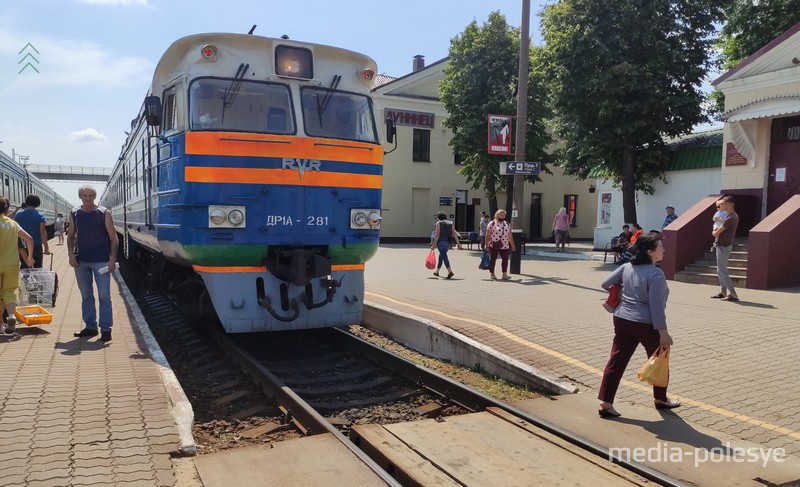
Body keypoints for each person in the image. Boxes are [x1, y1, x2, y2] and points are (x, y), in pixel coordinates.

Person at [598, 233, 678, 417]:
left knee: (616, 361)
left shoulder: (626, 267)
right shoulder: (655, 274)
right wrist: (664, 333)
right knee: (660, 359)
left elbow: (605, 283)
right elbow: (656, 307)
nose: (663, 250)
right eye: (660, 248)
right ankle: (660, 398)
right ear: (650, 252)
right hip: (645, 324)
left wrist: (622, 292)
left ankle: (606, 402)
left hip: (622, 320)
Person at [68, 185, 119, 342]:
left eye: (90, 195)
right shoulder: (75, 213)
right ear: (80, 196)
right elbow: (70, 236)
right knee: (86, 296)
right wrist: (70, 255)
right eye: (85, 195)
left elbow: (113, 237)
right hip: (81, 261)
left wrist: (112, 259)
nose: (88, 198)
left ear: (94, 196)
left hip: (101, 261)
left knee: (104, 296)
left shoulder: (104, 213)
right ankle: (90, 327)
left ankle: (105, 329)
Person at [1, 197, 35, 334]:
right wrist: (30, 257)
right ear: (7, 209)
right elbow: (30, 239)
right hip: (12, 264)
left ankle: (1, 326)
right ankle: (11, 316)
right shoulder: (13, 224)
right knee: (9, 292)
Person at [711, 195, 739, 302]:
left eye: (724, 203)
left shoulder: (731, 218)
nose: (722, 205)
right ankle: (723, 292)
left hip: (724, 245)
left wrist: (713, 232)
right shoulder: (730, 216)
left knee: (722, 270)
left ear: (730, 204)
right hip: (722, 245)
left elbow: (716, 232)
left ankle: (733, 293)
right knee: (720, 270)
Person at [14, 195, 49, 268]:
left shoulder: (18, 214)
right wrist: (46, 247)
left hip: (22, 246)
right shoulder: (40, 216)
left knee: (24, 267)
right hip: (36, 245)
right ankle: (37, 279)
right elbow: (42, 233)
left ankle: (26, 279)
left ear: (26, 202)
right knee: (37, 267)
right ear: (37, 203)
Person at [484, 209, 516, 280]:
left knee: (505, 259)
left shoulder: (506, 224)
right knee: (493, 259)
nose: (502, 216)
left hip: (505, 245)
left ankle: (504, 274)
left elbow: (509, 235)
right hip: (494, 244)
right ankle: (492, 273)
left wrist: (513, 245)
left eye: (504, 215)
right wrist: (486, 244)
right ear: (497, 215)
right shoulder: (492, 223)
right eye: (501, 215)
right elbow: (487, 234)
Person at [430, 211, 461, 279]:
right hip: (448, 243)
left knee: (444, 256)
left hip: (441, 242)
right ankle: (437, 272)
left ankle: (450, 272)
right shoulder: (450, 223)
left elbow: (437, 234)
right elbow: (454, 233)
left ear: (439, 217)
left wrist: (433, 245)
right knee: (441, 256)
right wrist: (458, 243)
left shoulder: (438, 223)